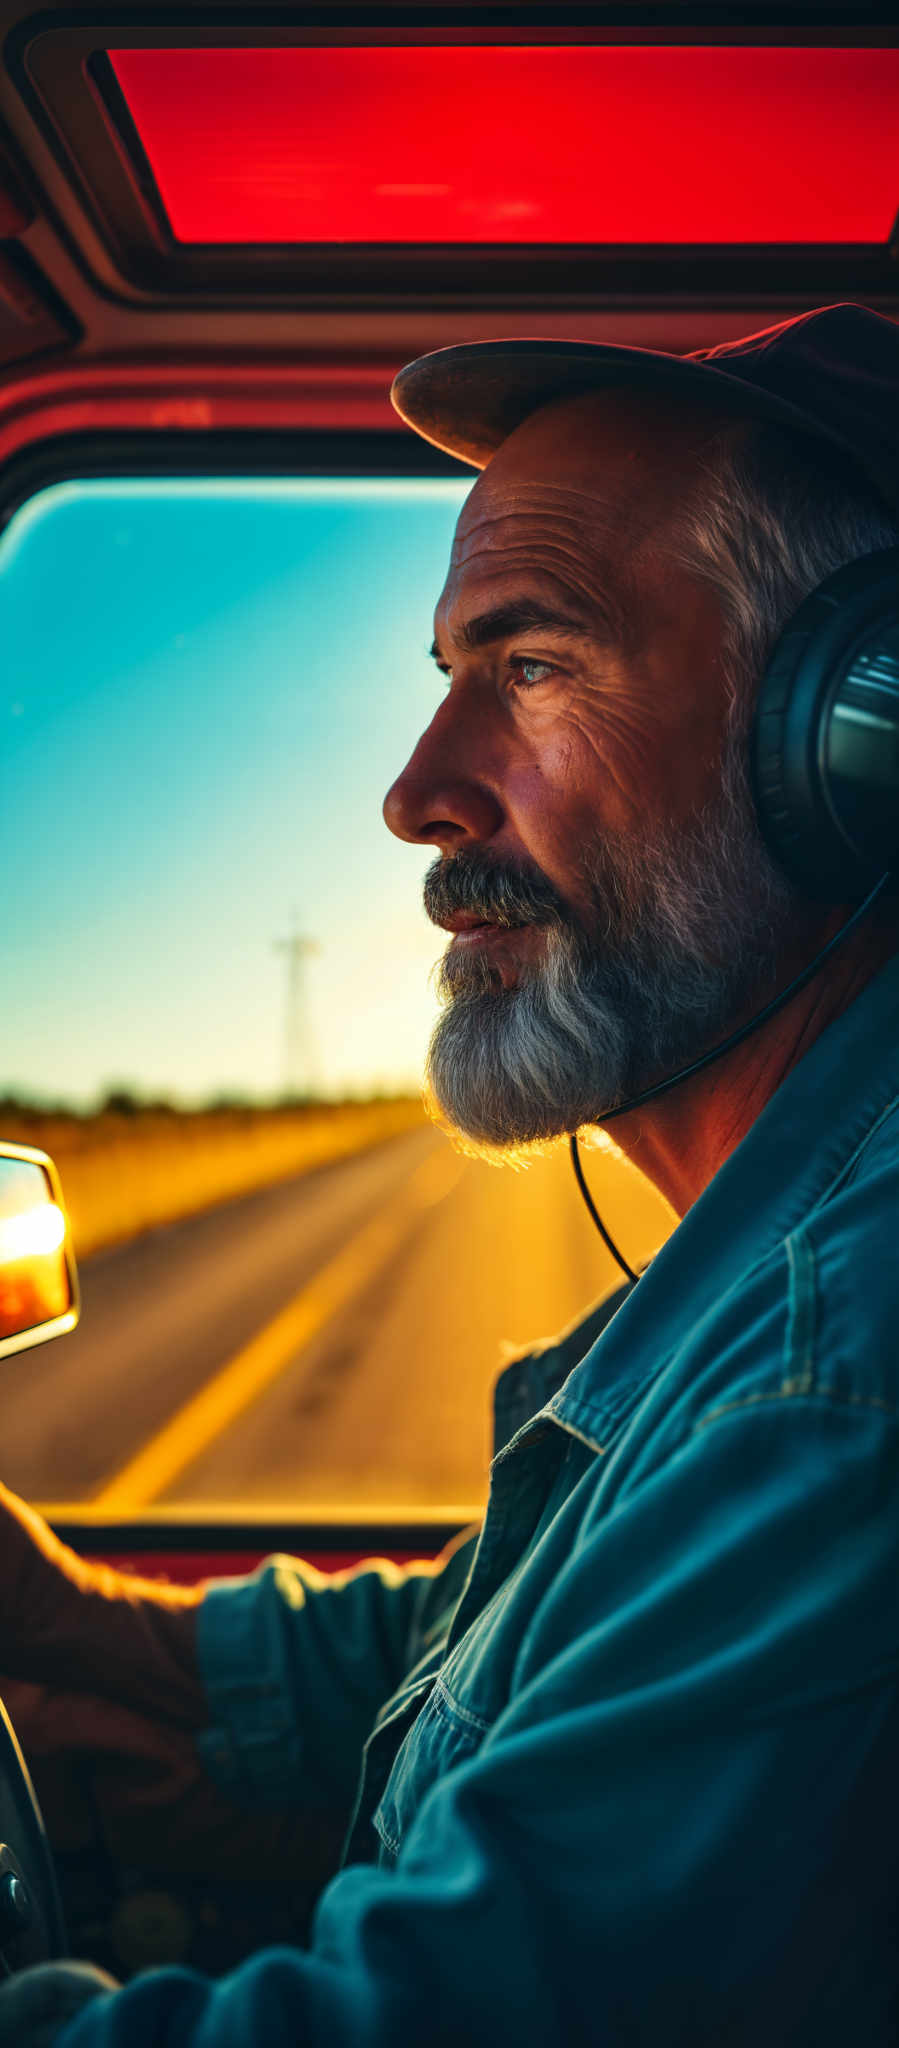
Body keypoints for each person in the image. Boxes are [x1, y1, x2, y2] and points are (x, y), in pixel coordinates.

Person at [1, 302, 899, 2046]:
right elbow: (558, 1636)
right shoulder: (772, 1305)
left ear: (854, 736)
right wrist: (99, 1633)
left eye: (537, 664)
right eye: (448, 680)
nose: (419, 796)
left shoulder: (834, 1365)